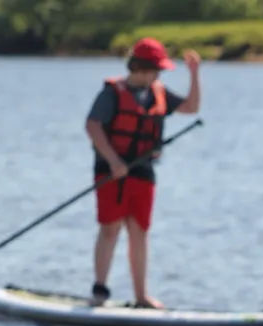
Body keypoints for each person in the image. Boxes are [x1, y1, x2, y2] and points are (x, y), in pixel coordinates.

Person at [86, 37, 201, 309]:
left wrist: (195, 75)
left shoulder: (157, 92)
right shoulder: (112, 93)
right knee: (110, 229)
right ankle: (99, 291)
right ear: (138, 68)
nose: (157, 75)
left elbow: (191, 108)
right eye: (154, 70)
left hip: (142, 170)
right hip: (111, 171)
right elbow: (92, 126)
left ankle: (141, 296)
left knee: (140, 230)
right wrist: (113, 161)